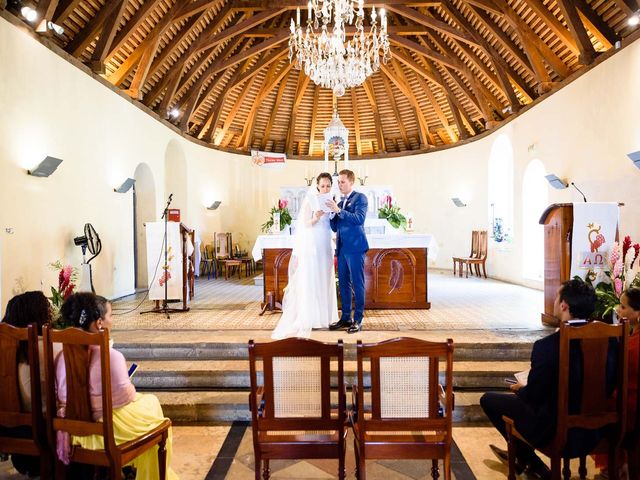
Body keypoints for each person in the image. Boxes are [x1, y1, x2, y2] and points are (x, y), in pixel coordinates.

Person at [481, 279, 617, 479]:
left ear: (564, 305)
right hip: (599, 431)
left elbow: (533, 397)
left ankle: (532, 463)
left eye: (556, 297)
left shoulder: (547, 346)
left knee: (489, 400)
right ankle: (526, 461)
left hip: (557, 432)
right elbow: (611, 382)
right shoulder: (612, 341)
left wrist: (521, 388)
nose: (554, 301)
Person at [55, 292, 178, 480]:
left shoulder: (61, 357)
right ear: (99, 323)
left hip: (73, 429)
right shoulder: (112, 357)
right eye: (110, 316)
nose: (112, 321)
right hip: (106, 431)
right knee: (154, 410)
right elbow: (127, 396)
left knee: (148, 404)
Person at [272, 172, 339, 339]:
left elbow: (333, 223)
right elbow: (304, 224)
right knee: (312, 277)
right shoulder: (311, 199)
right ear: (317, 186)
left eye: (328, 186)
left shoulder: (332, 200)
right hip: (313, 243)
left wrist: (335, 212)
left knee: (325, 277)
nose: (325, 188)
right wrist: (316, 217)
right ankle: (313, 318)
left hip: (325, 243)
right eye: (322, 186)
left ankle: (327, 317)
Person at [1, 291, 61, 477]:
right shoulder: (51, 345)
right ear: (39, 315)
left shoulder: (5, 348)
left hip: (6, 426)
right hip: (41, 429)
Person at [593, 286, 640, 478]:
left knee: (594, 403)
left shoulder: (633, 346)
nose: (617, 310)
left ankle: (616, 464)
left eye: (622, 307)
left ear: (638, 313)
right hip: (630, 398)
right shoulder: (632, 337)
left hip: (630, 405)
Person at [327, 169, 369, 334]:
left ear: (351, 182)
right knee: (344, 283)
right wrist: (332, 214)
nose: (339, 184)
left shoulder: (360, 198)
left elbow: (359, 219)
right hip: (342, 247)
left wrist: (338, 211)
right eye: (338, 182)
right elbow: (335, 227)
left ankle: (358, 319)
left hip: (356, 247)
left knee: (358, 283)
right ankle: (345, 317)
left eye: (342, 182)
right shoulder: (340, 201)